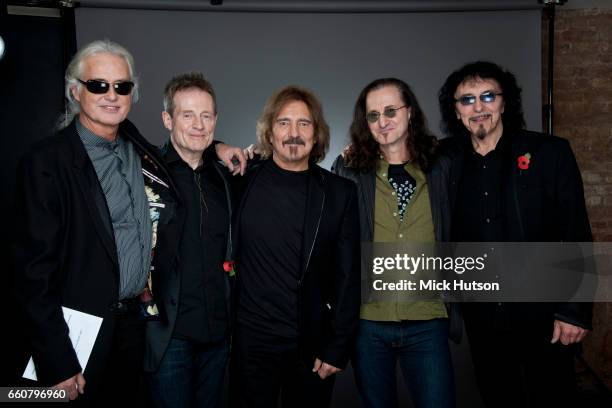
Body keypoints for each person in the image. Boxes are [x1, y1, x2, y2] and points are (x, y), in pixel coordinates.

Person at [12, 39, 181, 406]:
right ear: (76, 90)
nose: (111, 95)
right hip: (74, 337)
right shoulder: (47, 162)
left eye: (121, 86)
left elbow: (184, 153)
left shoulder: (138, 148)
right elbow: (31, 273)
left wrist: (221, 148)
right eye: (98, 85)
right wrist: (55, 360)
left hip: (132, 327)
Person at [438, 61, 592, 407]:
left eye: (488, 96)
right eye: (467, 100)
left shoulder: (549, 153)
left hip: (544, 312)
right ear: (457, 111)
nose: (478, 107)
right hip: (481, 314)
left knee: (554, 397)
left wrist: (574, 311)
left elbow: (575, 230)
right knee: (497, 397)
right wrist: (354, 154)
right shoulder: (445, 159)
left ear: (505, 103)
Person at [229, 85, 361, 408]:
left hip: (311, 347)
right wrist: (219, 147)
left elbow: (349, 276)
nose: (293, 133)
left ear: (316, 135)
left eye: (304, 123)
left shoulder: (339, 193)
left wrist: (338, 346)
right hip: (250, 343)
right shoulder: (240, 181)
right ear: (269, 133)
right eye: (284, 123)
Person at [332, 78, 456, 408]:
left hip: (428, 319)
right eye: (372, 115)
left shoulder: (441, 166)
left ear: (410, 112)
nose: (382, 121)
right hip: (368, 322)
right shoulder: (348, 169)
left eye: (390, 111)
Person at [144, 72, 237, 408]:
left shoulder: (225, 177)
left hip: (218, 335)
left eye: (206, 115)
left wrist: (221, 148)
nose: (198, 125)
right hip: (170, 336)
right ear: (168, 119)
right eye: (187, 115)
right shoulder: (147, 171)